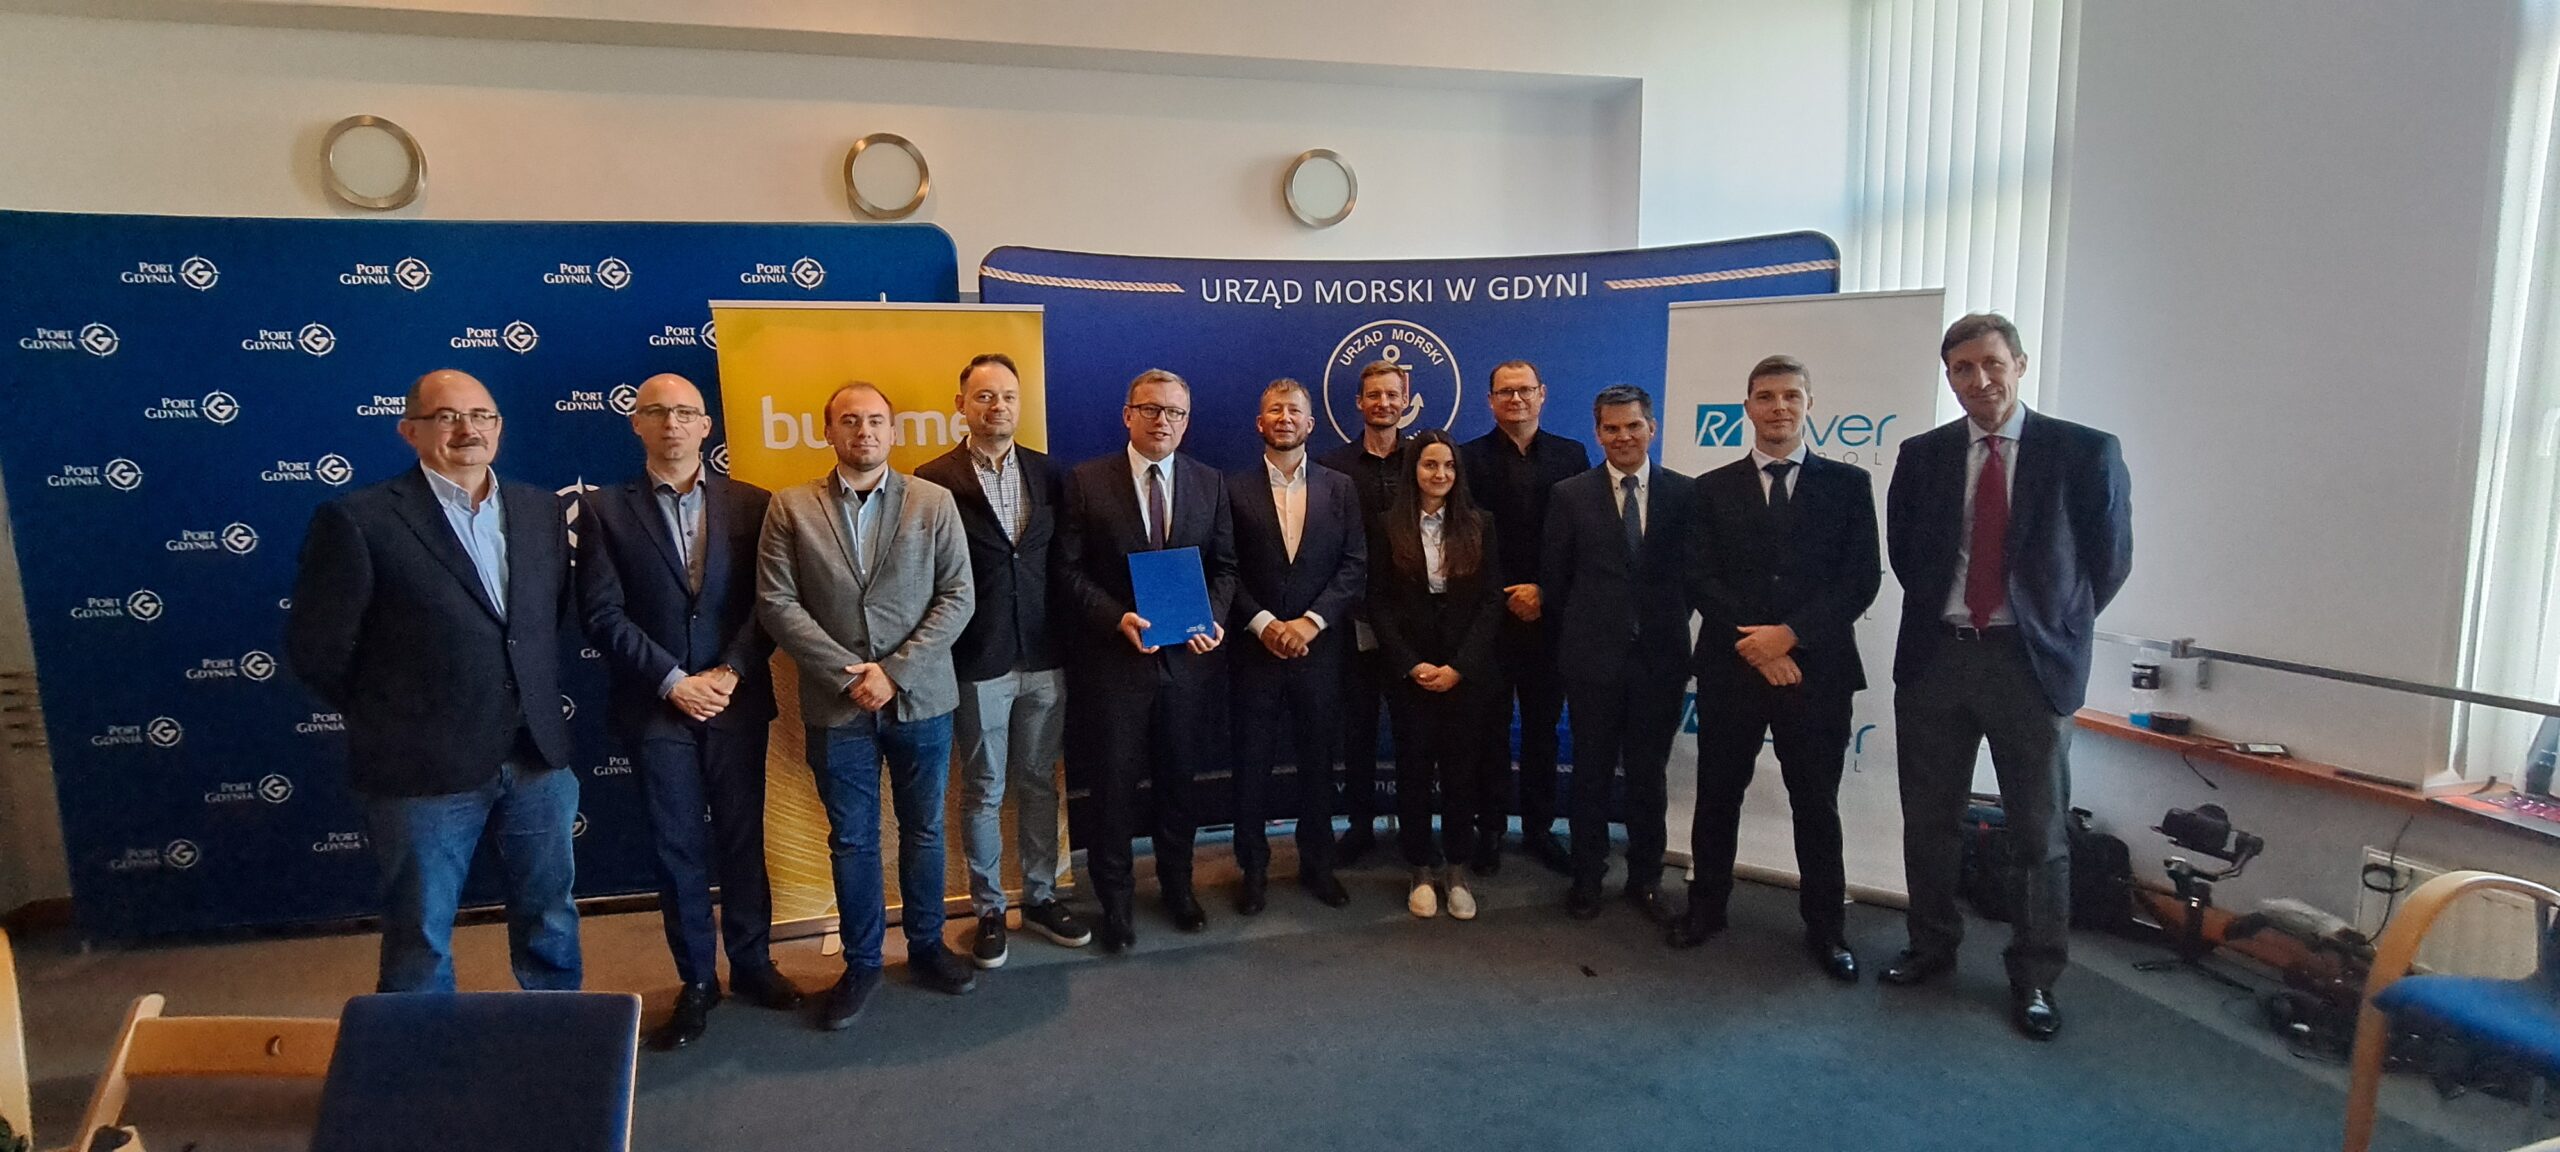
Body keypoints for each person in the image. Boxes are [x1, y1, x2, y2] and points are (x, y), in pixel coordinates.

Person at [286, 368, 581, 994]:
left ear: (499, 427)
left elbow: (540, 621)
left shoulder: (540, 510)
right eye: (447, 416)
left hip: (535, 754)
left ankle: (561, 1037)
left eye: (481, 415)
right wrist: (397, 716)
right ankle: (421, 1052)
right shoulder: (359, 519)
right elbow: (318, 649)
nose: (468, 429)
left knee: (551, 917)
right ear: (410, 431)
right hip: (419, 766)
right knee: (420, 932)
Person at [1882, 313, 2133, 1041]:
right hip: (1937, 658)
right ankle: (1931, 945)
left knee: (2037, 831)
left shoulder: (2083, 451)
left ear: (2019, 364)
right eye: (1962, 368)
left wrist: (2048, 625)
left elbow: (2108, 561)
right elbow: (1908, 554)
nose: (1979, 379)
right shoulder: (1923, 455)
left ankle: (2035, 976)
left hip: (2029, 665)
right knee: (1929, 820)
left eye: (1992, 363)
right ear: (1949, 377)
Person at [574, 372, 798, 1049]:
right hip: (656, 706)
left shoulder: (752, 504)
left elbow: (769, 603)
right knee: (677, 850)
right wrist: (673, 682)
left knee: (743, 840)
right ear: (636, 424)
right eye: (656, 412)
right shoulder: (604, 510)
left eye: (684, 412)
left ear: (706, 426)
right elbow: (602, 614)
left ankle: (753, 965)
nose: (671, 423)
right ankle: (697, 981)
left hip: (735, 699)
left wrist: (728, 672)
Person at [756, 382, 978, 1030]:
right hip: (837, 706)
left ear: (893, 431)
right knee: (852, 840)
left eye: (877, 420)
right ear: (829, 431)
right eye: (850, 421)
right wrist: (848, 674)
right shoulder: (791, 507)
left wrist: (895, 672)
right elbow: (776, 602)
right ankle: (862, 965)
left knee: (924, 830)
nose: (865, 431)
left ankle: (928, 947)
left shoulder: (933, 502)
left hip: (921, 699)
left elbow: (958, 595)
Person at [1673, 356, 1881, 985]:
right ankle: (1706, 908)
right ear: (1747, 408)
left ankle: (1826, 928)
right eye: (1765, 397)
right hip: (1732, 668)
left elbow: (1859, 580)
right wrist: (1759, 645)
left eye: (1791, 396)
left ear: (1810, 404)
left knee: (1815, 803)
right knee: (1718, 796)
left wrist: (1789, 637)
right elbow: (1698, 575)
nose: (1779, 407)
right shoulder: (1710, 488)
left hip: (1817, 672)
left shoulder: (1848, 485)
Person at [914, 353, 1091, 971]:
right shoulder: (932, 480)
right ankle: (989, 908)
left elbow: (1064, 563)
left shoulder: (1051, 474)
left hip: (1046, 654)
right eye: (985, 396)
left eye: (1008, 396)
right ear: (961, 404)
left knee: (1040, 780)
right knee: (985, 788)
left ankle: (1040, 897)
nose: (998, 407)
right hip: (976, 658)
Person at [1056, 369, 1238, 952]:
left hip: (1187, 665)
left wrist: (1213, 617)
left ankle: (1178, 887)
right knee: (1112, 789)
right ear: (1128, 415)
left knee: (1179, 783)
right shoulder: (1087, 481)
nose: (1163, 421)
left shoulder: (1210, 482)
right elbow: (1067, 570)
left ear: (1186, 422)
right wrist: (1116, 618)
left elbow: (1226, 568)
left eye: (1175, 412)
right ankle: (1115, 902)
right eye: (1151, 409)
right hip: (1115, 666)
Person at [1540, 384, 1691, 924]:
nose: (1623, 436)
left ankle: (1646, 879)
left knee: (1649, 776)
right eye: (1611, 428)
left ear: (1652, 428)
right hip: (1591, 661)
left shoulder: (1685, 494)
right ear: (1597, 433)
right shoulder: (1569, 495)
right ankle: (1587, 876)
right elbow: (1555, 581)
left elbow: (1695, 578)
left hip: (1660, 661)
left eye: (1633, 426)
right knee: (1591, 775)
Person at [1226, 378, 1366, 912]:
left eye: (1294, 411)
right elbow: (1224, 568)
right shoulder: (1230, 489)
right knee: (1251, 766)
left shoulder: (1341, 488)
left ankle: (1318, 865)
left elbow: (1354, 565)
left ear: (1311, 423)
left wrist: (1310, 623)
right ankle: (1253, 869)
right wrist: (1265, 624)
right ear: (1260, 423)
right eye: (1274, 410)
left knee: (1318, 763)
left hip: (1319, 651)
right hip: (1254, 651)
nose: (1284, 417)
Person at [1459, 360, 1589, 875]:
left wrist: (1543, 591)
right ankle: (1489, 829)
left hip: (1549, 617)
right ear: (1490, 400)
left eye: (1525, 390)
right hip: (1488, 620)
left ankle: (1538, 828)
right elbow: (1462, 539)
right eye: (1505, 391)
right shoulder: (1467, 458)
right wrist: (1502, 595)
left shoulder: (1571, 455)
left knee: (1543, 730)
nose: (1516, 399)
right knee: (1487, 731)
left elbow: (1579, 538)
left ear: (1542, 395)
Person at [1370, 430, 1505, 921]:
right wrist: (1410, 664)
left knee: (1461, 774)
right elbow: (1378, 603)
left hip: (1465, 674)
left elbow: (1491, 601)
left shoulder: (1480, 524)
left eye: (1448, 465)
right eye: (1430, 465)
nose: (1440, 474)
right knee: (1413, 772)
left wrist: (1460, 667)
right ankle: (1421, 869)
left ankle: (1457, 870)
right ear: (1413, 470)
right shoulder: (1387, 525)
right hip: (1411, 674)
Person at [1314, 360, 1412, 865]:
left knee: (1417, 731)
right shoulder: (1331, 467)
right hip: (1354, 621)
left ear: (1405, 400)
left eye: (1392, 394)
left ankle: (1418, 828)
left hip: (1416, 624)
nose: (1383, 403)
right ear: (1359, 402)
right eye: (1374, 395)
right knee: (1357, 729)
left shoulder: (1426, 459)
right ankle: (1359, 825)